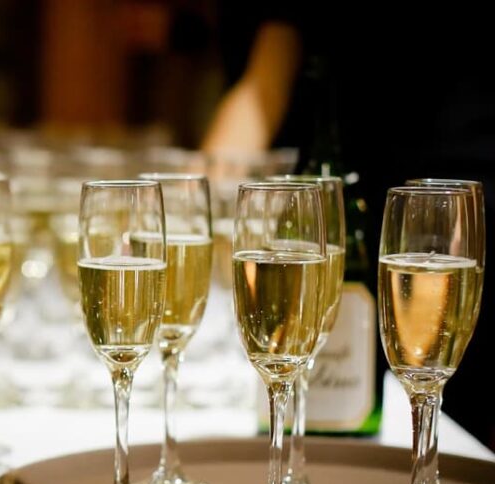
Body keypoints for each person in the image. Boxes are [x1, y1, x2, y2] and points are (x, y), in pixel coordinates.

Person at [201, 5, 495, 447]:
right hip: (342, 184)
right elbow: (266, 80)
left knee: (456, 397)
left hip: (455, 196)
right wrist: (197, 206)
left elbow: (265, 82)